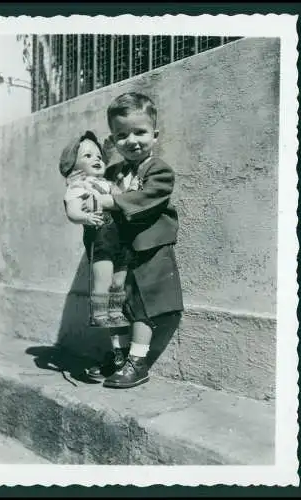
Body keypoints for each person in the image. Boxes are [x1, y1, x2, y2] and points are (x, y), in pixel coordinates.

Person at [84, 93, 184, 389]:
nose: (132, 140)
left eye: (139, 132)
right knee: (116, 304)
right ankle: (119, 356)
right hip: (121, 252)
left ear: (154, 135)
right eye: (122, 135)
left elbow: (149, 196)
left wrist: (111, 201)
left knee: (143, 305)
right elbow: (95, 190)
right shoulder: (113, 172)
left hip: (148, 251)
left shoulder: (159, 170)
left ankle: (137, 361)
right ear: (113, 140)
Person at [59, 131, 130, 337]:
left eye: (98, 155)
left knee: (119, 281)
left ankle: (116, 312)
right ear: (74, 167)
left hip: (121, 237)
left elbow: (123, 200)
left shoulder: (110, 184)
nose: (96, 159)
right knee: (104, 278)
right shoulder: (78, 186)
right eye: (87, 156)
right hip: (101, 236)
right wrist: (86, 218)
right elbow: (72, 211)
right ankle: (99, 314)